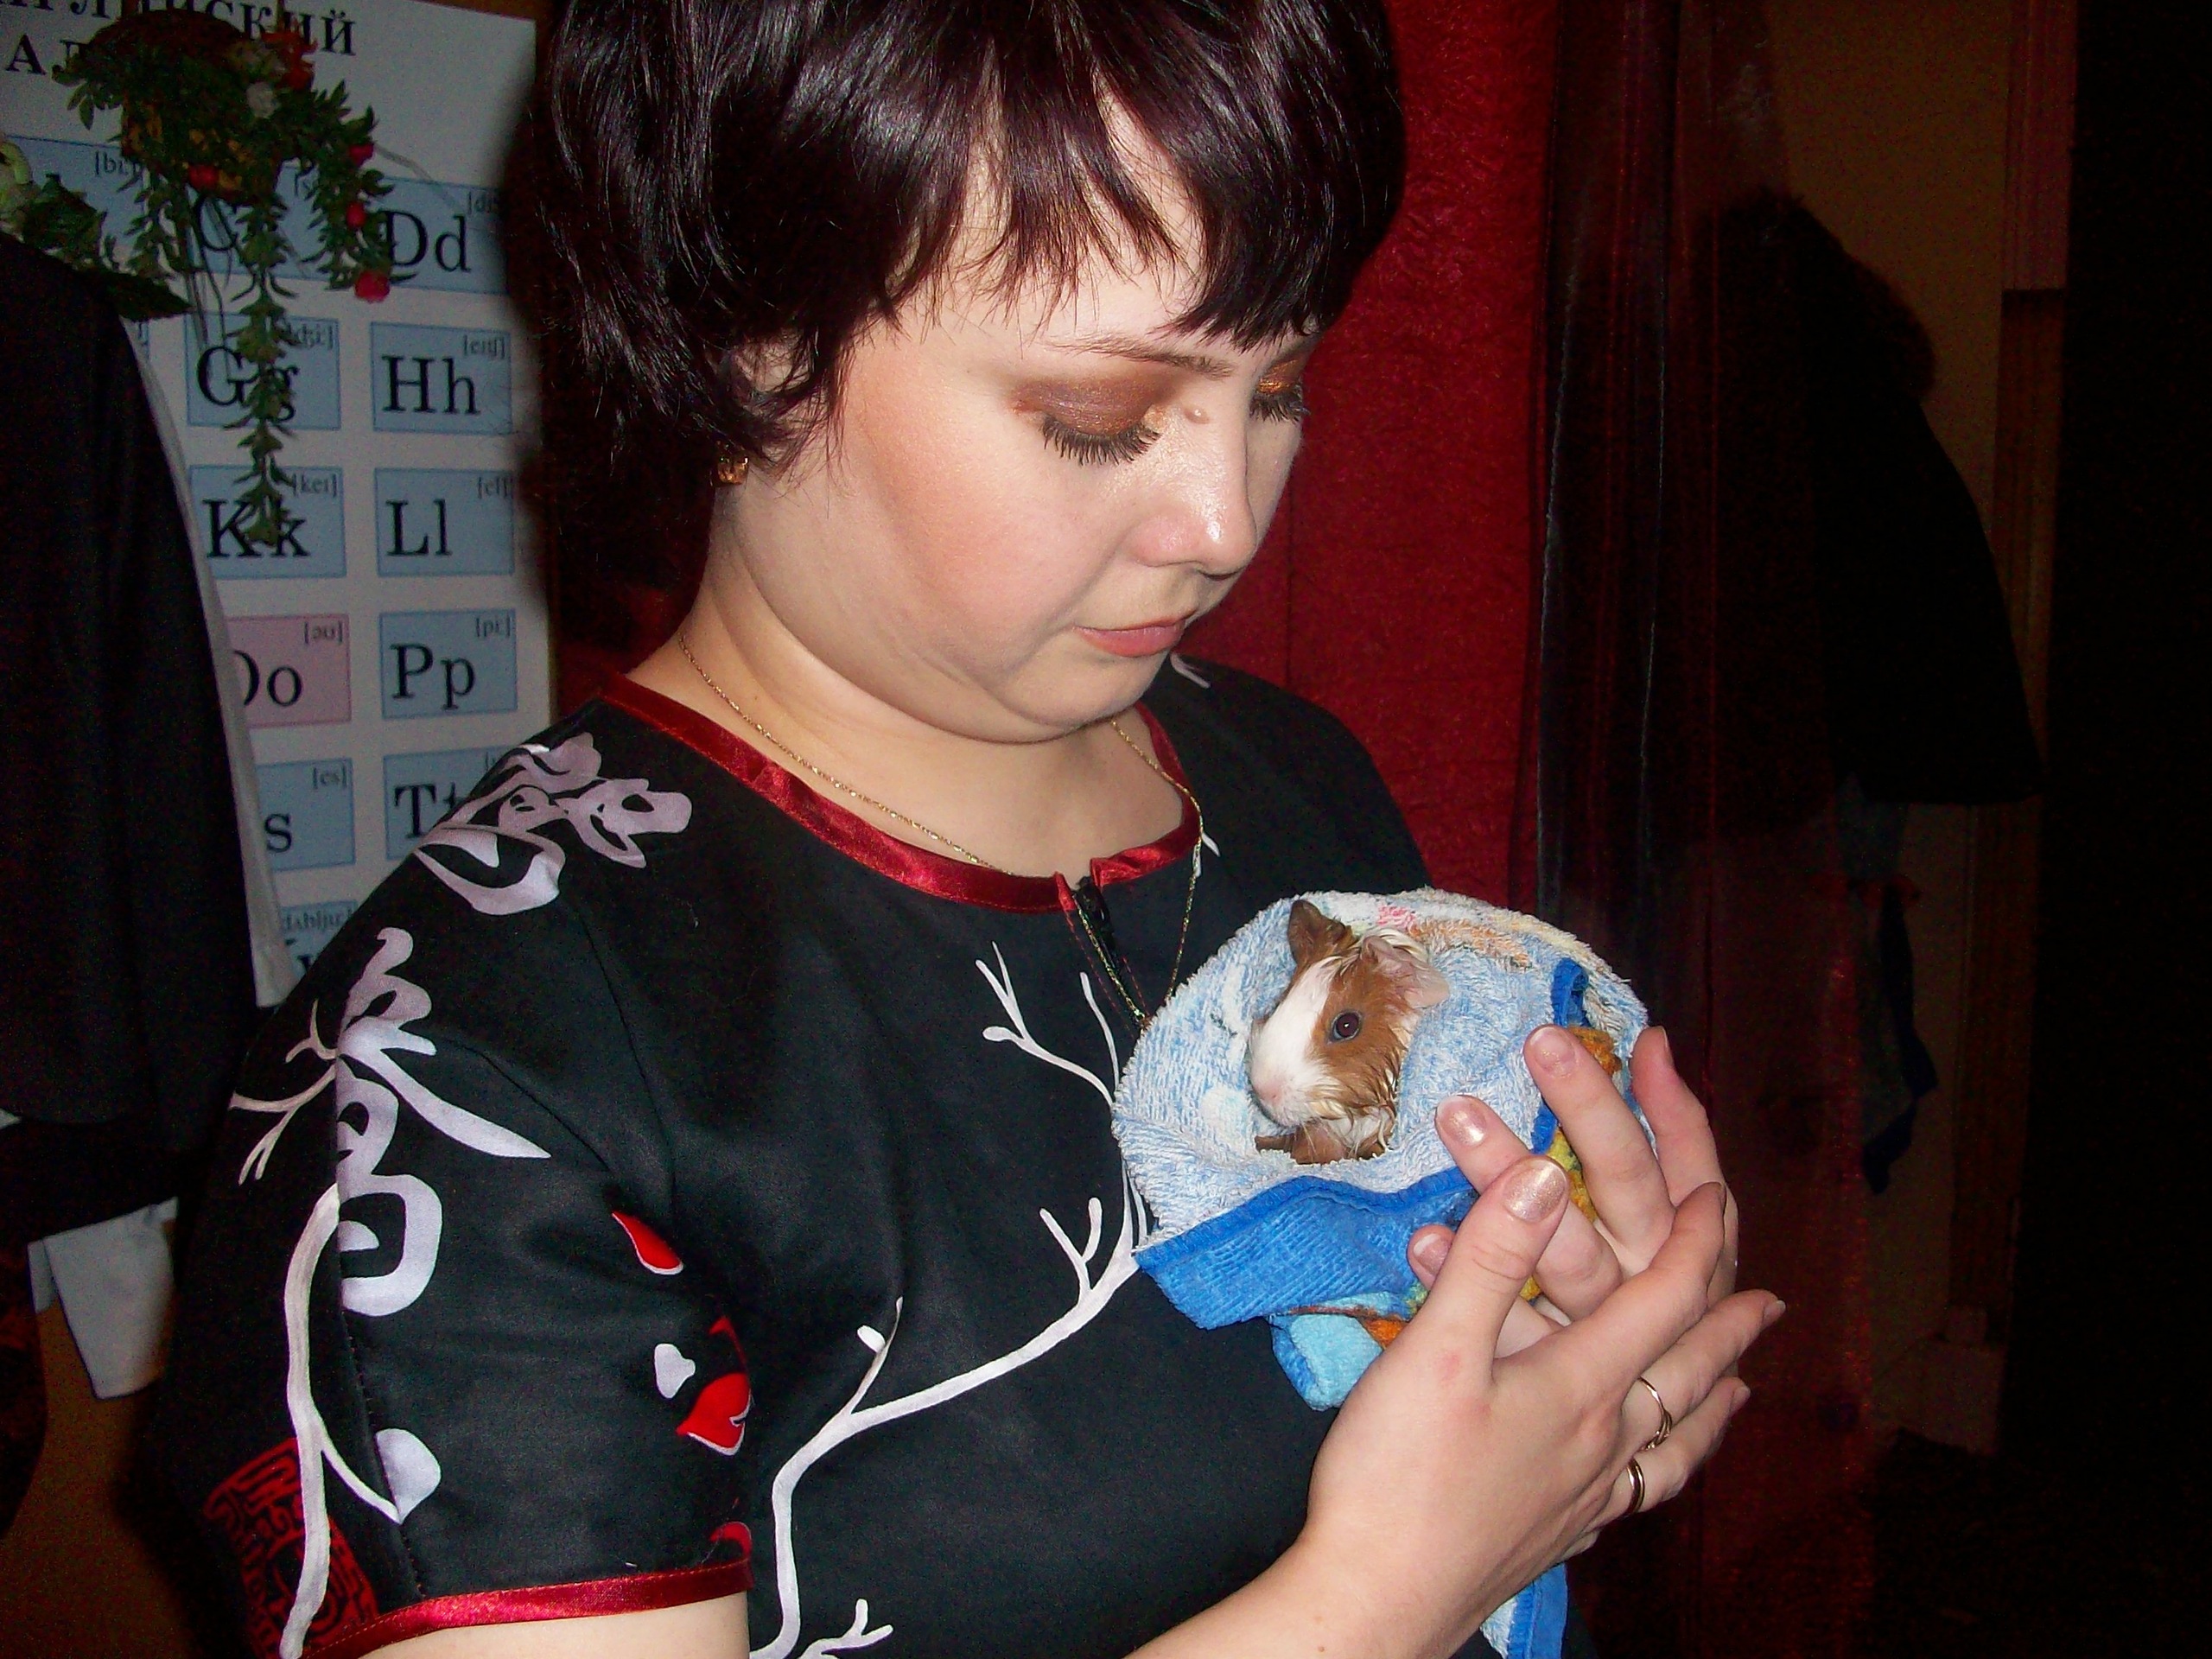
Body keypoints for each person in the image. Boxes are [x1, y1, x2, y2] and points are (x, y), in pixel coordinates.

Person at [159, 3, 1779, 1657]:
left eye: (1280, 384)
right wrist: (1379, 1600)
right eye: (1101, 414)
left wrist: (1577, 1386)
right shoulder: (462, 1079)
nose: (1224, 522)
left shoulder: (1291, 773)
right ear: (742, 341)